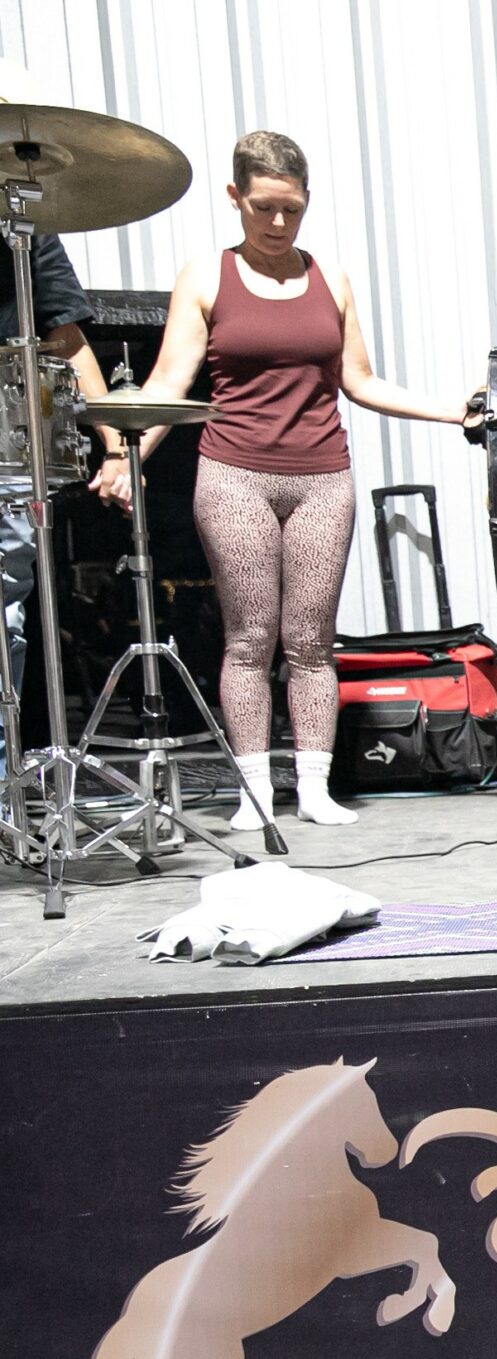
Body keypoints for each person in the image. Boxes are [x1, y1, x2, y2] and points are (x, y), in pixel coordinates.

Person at [101, 130, 465, 829]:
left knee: (311, 641)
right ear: (235, 197)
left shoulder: (332, 279)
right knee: (249, 638)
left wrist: (451, 411)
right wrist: (125, 456)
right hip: (234, 474)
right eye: (262, 207)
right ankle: (255, 792)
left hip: (322, 477)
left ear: (307, 203)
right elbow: (168, 385)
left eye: (291, 210)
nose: (276, 222)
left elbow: (360, 381)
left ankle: (315, 787)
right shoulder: (207, 277)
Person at [0, 57, 126, 695]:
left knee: (4, 611)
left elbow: (67, 338)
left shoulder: (28, 227)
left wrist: (115, 444)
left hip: (6, 447)